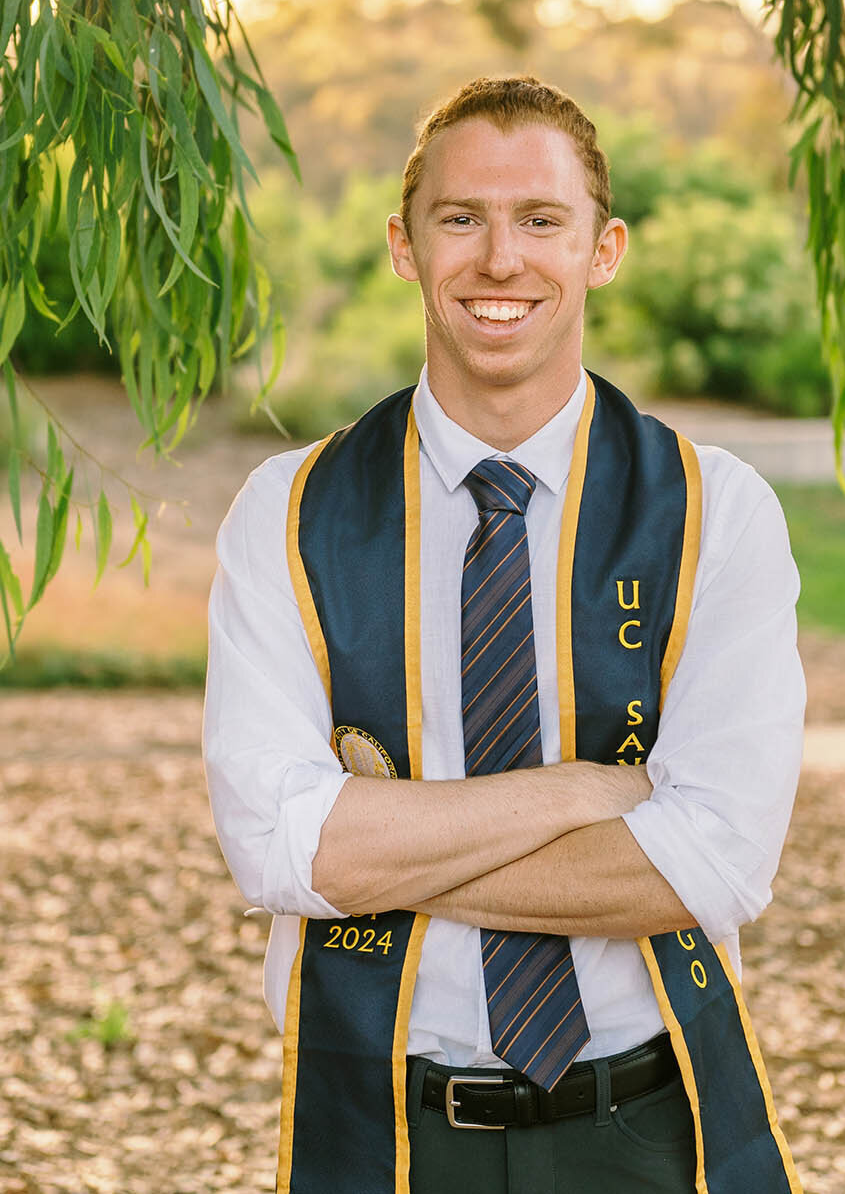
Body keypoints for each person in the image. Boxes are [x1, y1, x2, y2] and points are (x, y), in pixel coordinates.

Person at [203, 75, 806, 1194]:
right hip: (384, 1125)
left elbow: (713, 863)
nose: (499, 259)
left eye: (540, 221)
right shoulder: (286, 513)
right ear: (403, 243)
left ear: (602, 248)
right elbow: (276, 849)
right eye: (459, 218)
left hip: (647, 1125)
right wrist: (583, 792)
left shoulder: (713, 509)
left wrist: (376, 854)